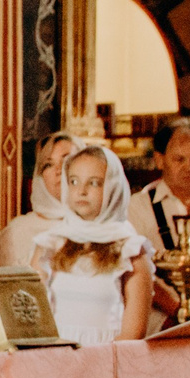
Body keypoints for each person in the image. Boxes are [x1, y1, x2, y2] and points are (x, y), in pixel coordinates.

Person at [31, 143, 153, 344]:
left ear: (113, 187)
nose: (82, 191)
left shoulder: (131, 251)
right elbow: (34, 316)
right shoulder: (50, 244)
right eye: (74, 181)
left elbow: (134, 333)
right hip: (55, 357)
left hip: (108, 361)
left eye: (94, 183)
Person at [131, 117, 190, 326]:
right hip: (159, 320)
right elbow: (133, 267)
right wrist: (175, 308)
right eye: (179, 160)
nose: (188, 167)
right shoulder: (138, 207)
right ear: (160, 160)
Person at [0, 130, 81, 268]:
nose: (58, 170)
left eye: (66, 160)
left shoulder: (103, 227)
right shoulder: (18, 231)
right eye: (48, 165)